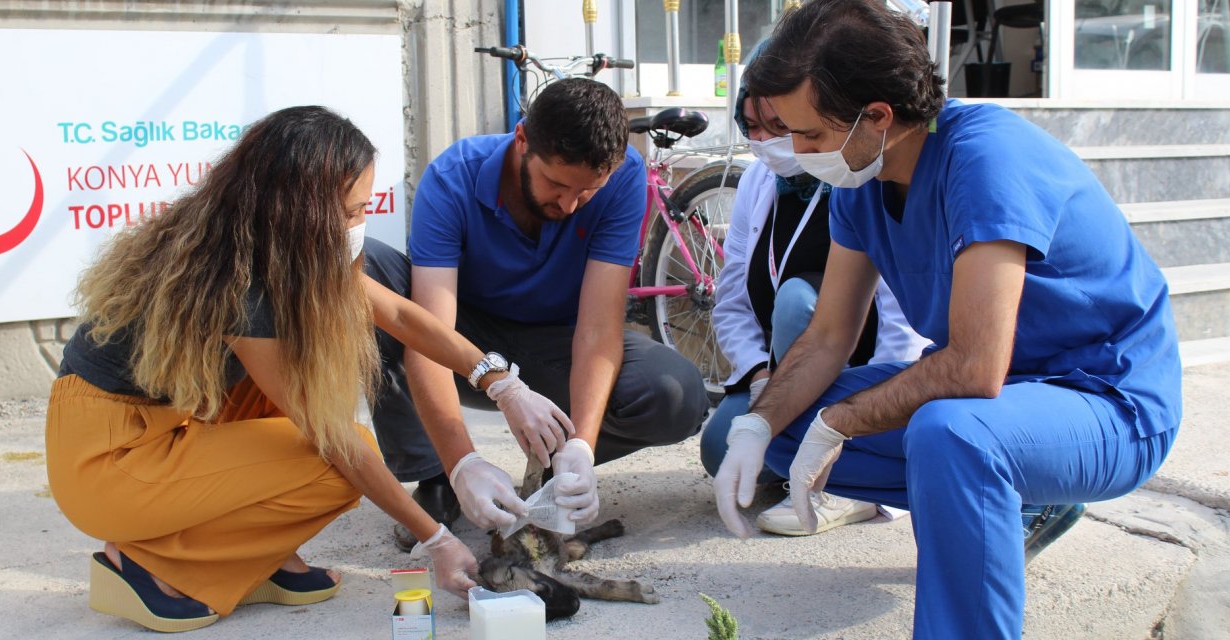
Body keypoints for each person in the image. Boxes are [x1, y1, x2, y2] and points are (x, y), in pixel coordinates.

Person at [713, 2, 1182, 638]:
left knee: (951, 432)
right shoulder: (861, 176)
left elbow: (974, 367)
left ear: (877, 116)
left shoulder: (987, 158)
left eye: (812, 135)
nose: (797, 151)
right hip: (1006, 404)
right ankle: (1010, 511)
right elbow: (826, 337)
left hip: (1109, 400)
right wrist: (757, 423)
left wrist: (842, 421)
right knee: (782, 424)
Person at [46, 106, 557, 632]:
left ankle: (255, 558)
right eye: (352, 212)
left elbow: (403, 316)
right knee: (330, 468)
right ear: (303, 208)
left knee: (301, 393)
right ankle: (145, 565)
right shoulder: (239, 282)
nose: (361, 226)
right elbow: (334, 439)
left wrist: (502, 382)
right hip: (109, 459)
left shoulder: (265, 243)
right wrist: (437, 539)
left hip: (159, 424)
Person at [363, 77, 709, 549]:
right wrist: (463, 459)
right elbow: (428, 335)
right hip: (467, 343)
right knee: (369, 276)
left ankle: (556, 462)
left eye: (586, 192)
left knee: (677, 393)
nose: (569, 205)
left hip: (558, 347)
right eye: (557, 184)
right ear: (522, 139)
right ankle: (438, 474)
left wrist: (582, 446)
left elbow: (598, 329)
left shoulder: (625, 177)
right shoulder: (452, 179)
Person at [702, 46, 929, 536]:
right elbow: (733, 297)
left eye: (784, 128)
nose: (765, 142)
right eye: (750, 127)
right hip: (795, 363)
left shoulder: (857, 177)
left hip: (859, 363)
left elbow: (900, 324)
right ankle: (800, 440)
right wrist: (762, 383)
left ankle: (847, 488)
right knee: (721, 446)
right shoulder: (760, 182)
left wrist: (856, 418)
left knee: (797, 301)